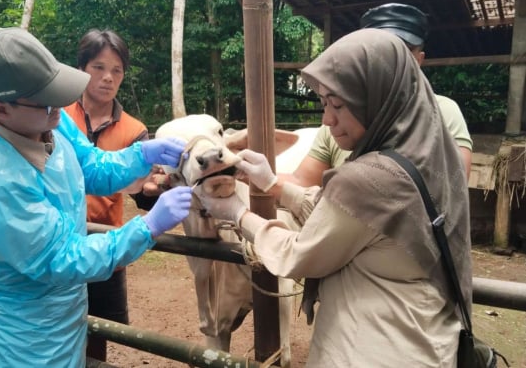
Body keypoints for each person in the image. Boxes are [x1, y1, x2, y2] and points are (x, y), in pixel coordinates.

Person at [196, 29, 471, 367]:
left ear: (378, 96)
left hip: (371, 352)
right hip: (429, 346)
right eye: (324, 103)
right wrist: (272, 184)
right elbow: (350, 220)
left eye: (338, 105)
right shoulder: (435, 160)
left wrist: (237, 211)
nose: (327, 119)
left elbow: (297, 253)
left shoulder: (369, 179)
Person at [0, 27, 193, 367]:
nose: (59, 108)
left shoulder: (50, 119)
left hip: (66, 314)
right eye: (46, 101)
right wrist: (146, 227)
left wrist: (140, 154)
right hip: (26, 336)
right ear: (1, 110)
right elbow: (62, 258)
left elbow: (90, 165)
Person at [284, 3, 473, 187]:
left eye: (400, 52)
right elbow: (303, 181)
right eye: (377, 52)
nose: (387, 61)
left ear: (419, 59)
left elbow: (453, 189)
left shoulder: (443, 112)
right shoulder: (336, 118)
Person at [62, 28, 156, 362]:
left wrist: (154, 191)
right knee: (57, 327)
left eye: (117, 70)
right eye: (99, 67)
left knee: (97, 332)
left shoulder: (134, 130)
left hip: (103, 247)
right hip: (58, 241)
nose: (108, 78)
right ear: (81, 69)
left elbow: (142, 196)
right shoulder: (56, 115)